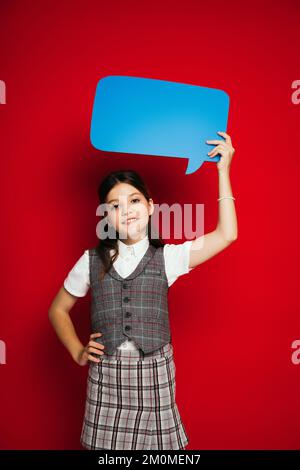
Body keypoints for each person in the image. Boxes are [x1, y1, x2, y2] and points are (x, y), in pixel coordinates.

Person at [48, 131, 237, 450]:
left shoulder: (169, 257)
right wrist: (78, 351)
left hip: (155, 375)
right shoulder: (90, 261)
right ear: (106, 215)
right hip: (106, 380)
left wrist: (223, 170)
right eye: (114, 205)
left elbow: (227, 234)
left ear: (150, 206)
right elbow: (57, 309)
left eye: (134, 200)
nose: (127, 209)